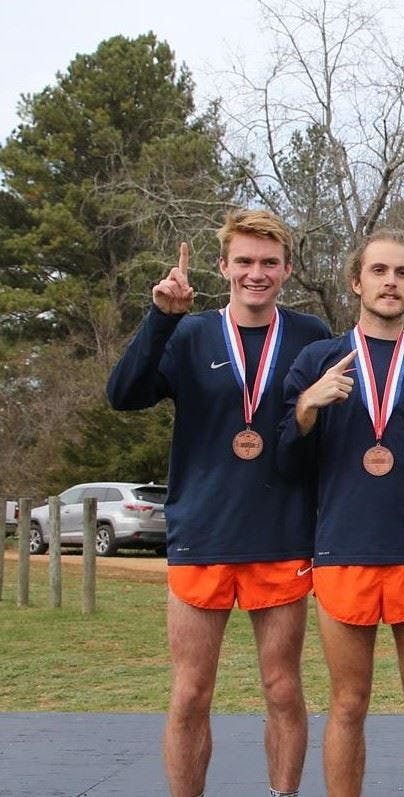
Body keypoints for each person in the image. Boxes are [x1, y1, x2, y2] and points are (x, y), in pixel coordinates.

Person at [107, 209, 331, 797]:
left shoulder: (310, 337)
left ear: (285, 270)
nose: (256, 273)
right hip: (201, 534)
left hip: (280, 533)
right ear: (223, 266)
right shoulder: (188, 333)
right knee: (189, 692)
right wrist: (160, 317)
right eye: (245, 262)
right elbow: (123, 396)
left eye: (269, 263)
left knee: (282, 689)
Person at [278, 229, 404, 797]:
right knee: (349, 701)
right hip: (343, 551)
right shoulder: (317, 360)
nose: (390, 282)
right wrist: (308, 404)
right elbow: (285, 459)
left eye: (402, 273)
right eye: (379, 271)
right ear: (357, 281)